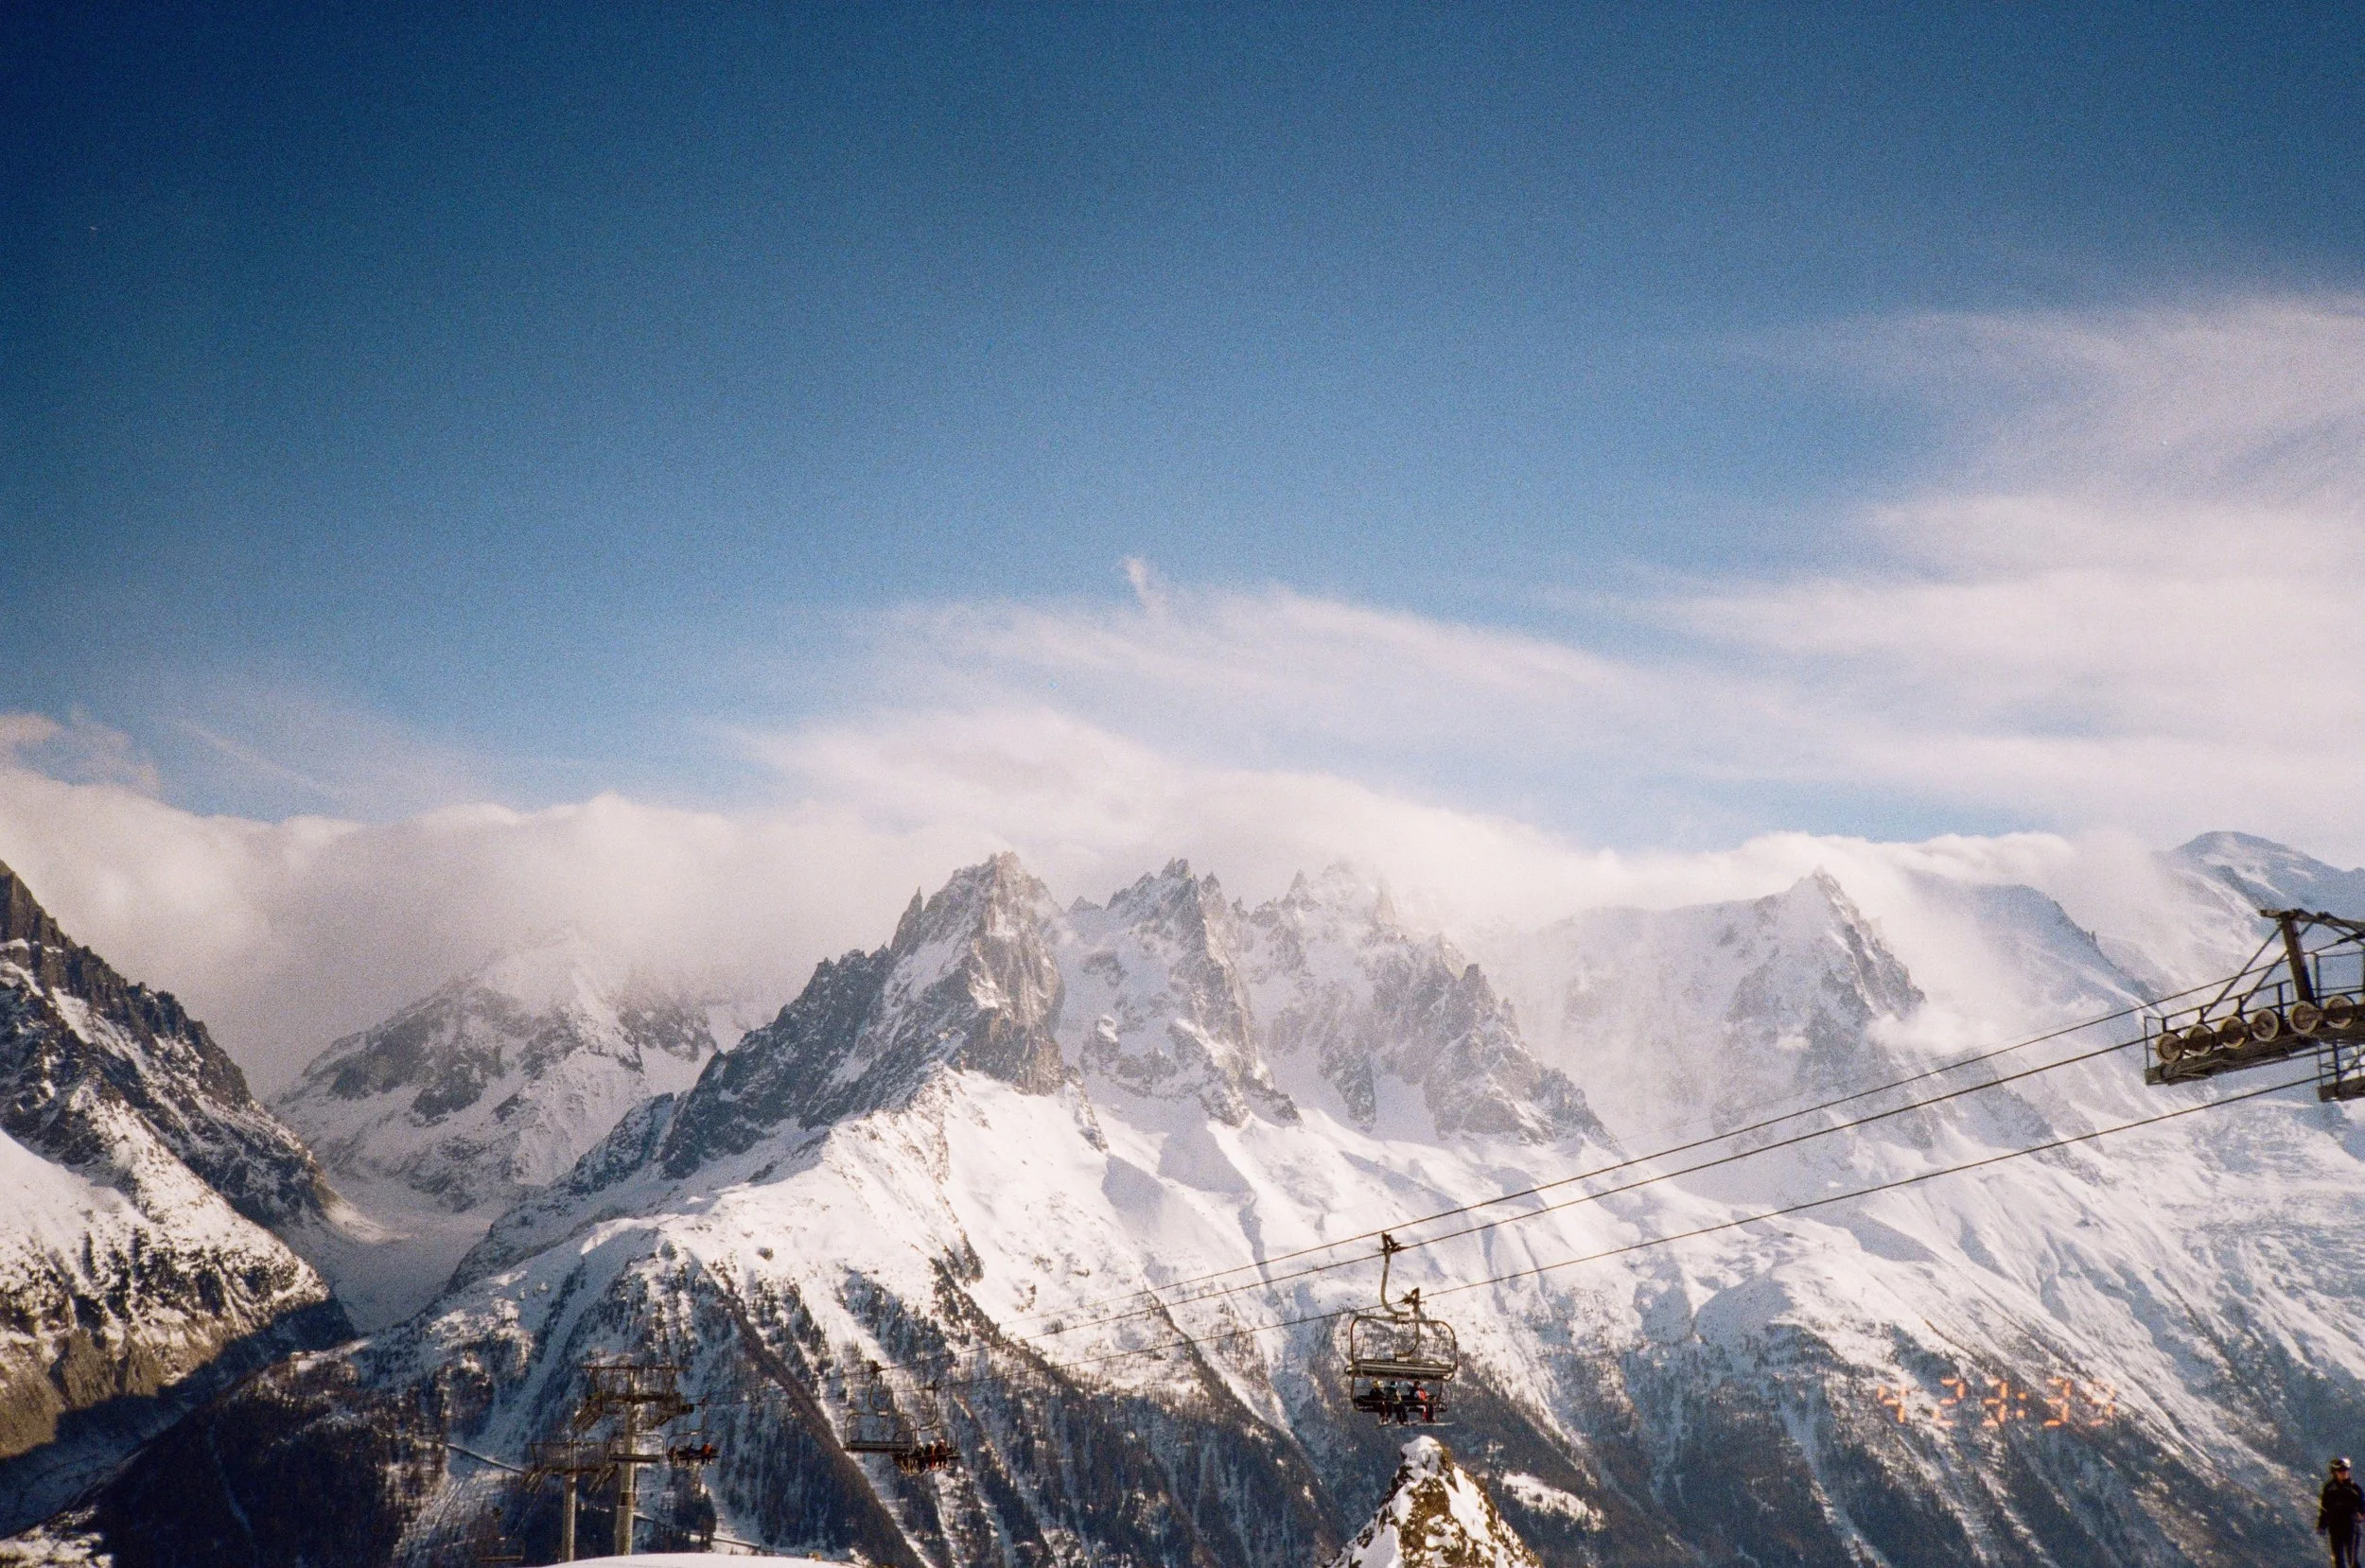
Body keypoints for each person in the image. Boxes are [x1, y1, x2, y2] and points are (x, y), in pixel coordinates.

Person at [2321, 1456, 2363, 1568]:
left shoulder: (2355, 1489)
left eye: (2346, 1470)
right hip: (2335, 1529)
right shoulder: (2329, 1489)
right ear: (2335, 1472)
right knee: (2338, 1561)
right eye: (2341, 1471)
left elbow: (2363, 1507)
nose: (2344, 1473)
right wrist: (2322, 1525)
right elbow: (2325, 1509)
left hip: (2351, 1528)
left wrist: (2361, 1516)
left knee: (2352, 1561)